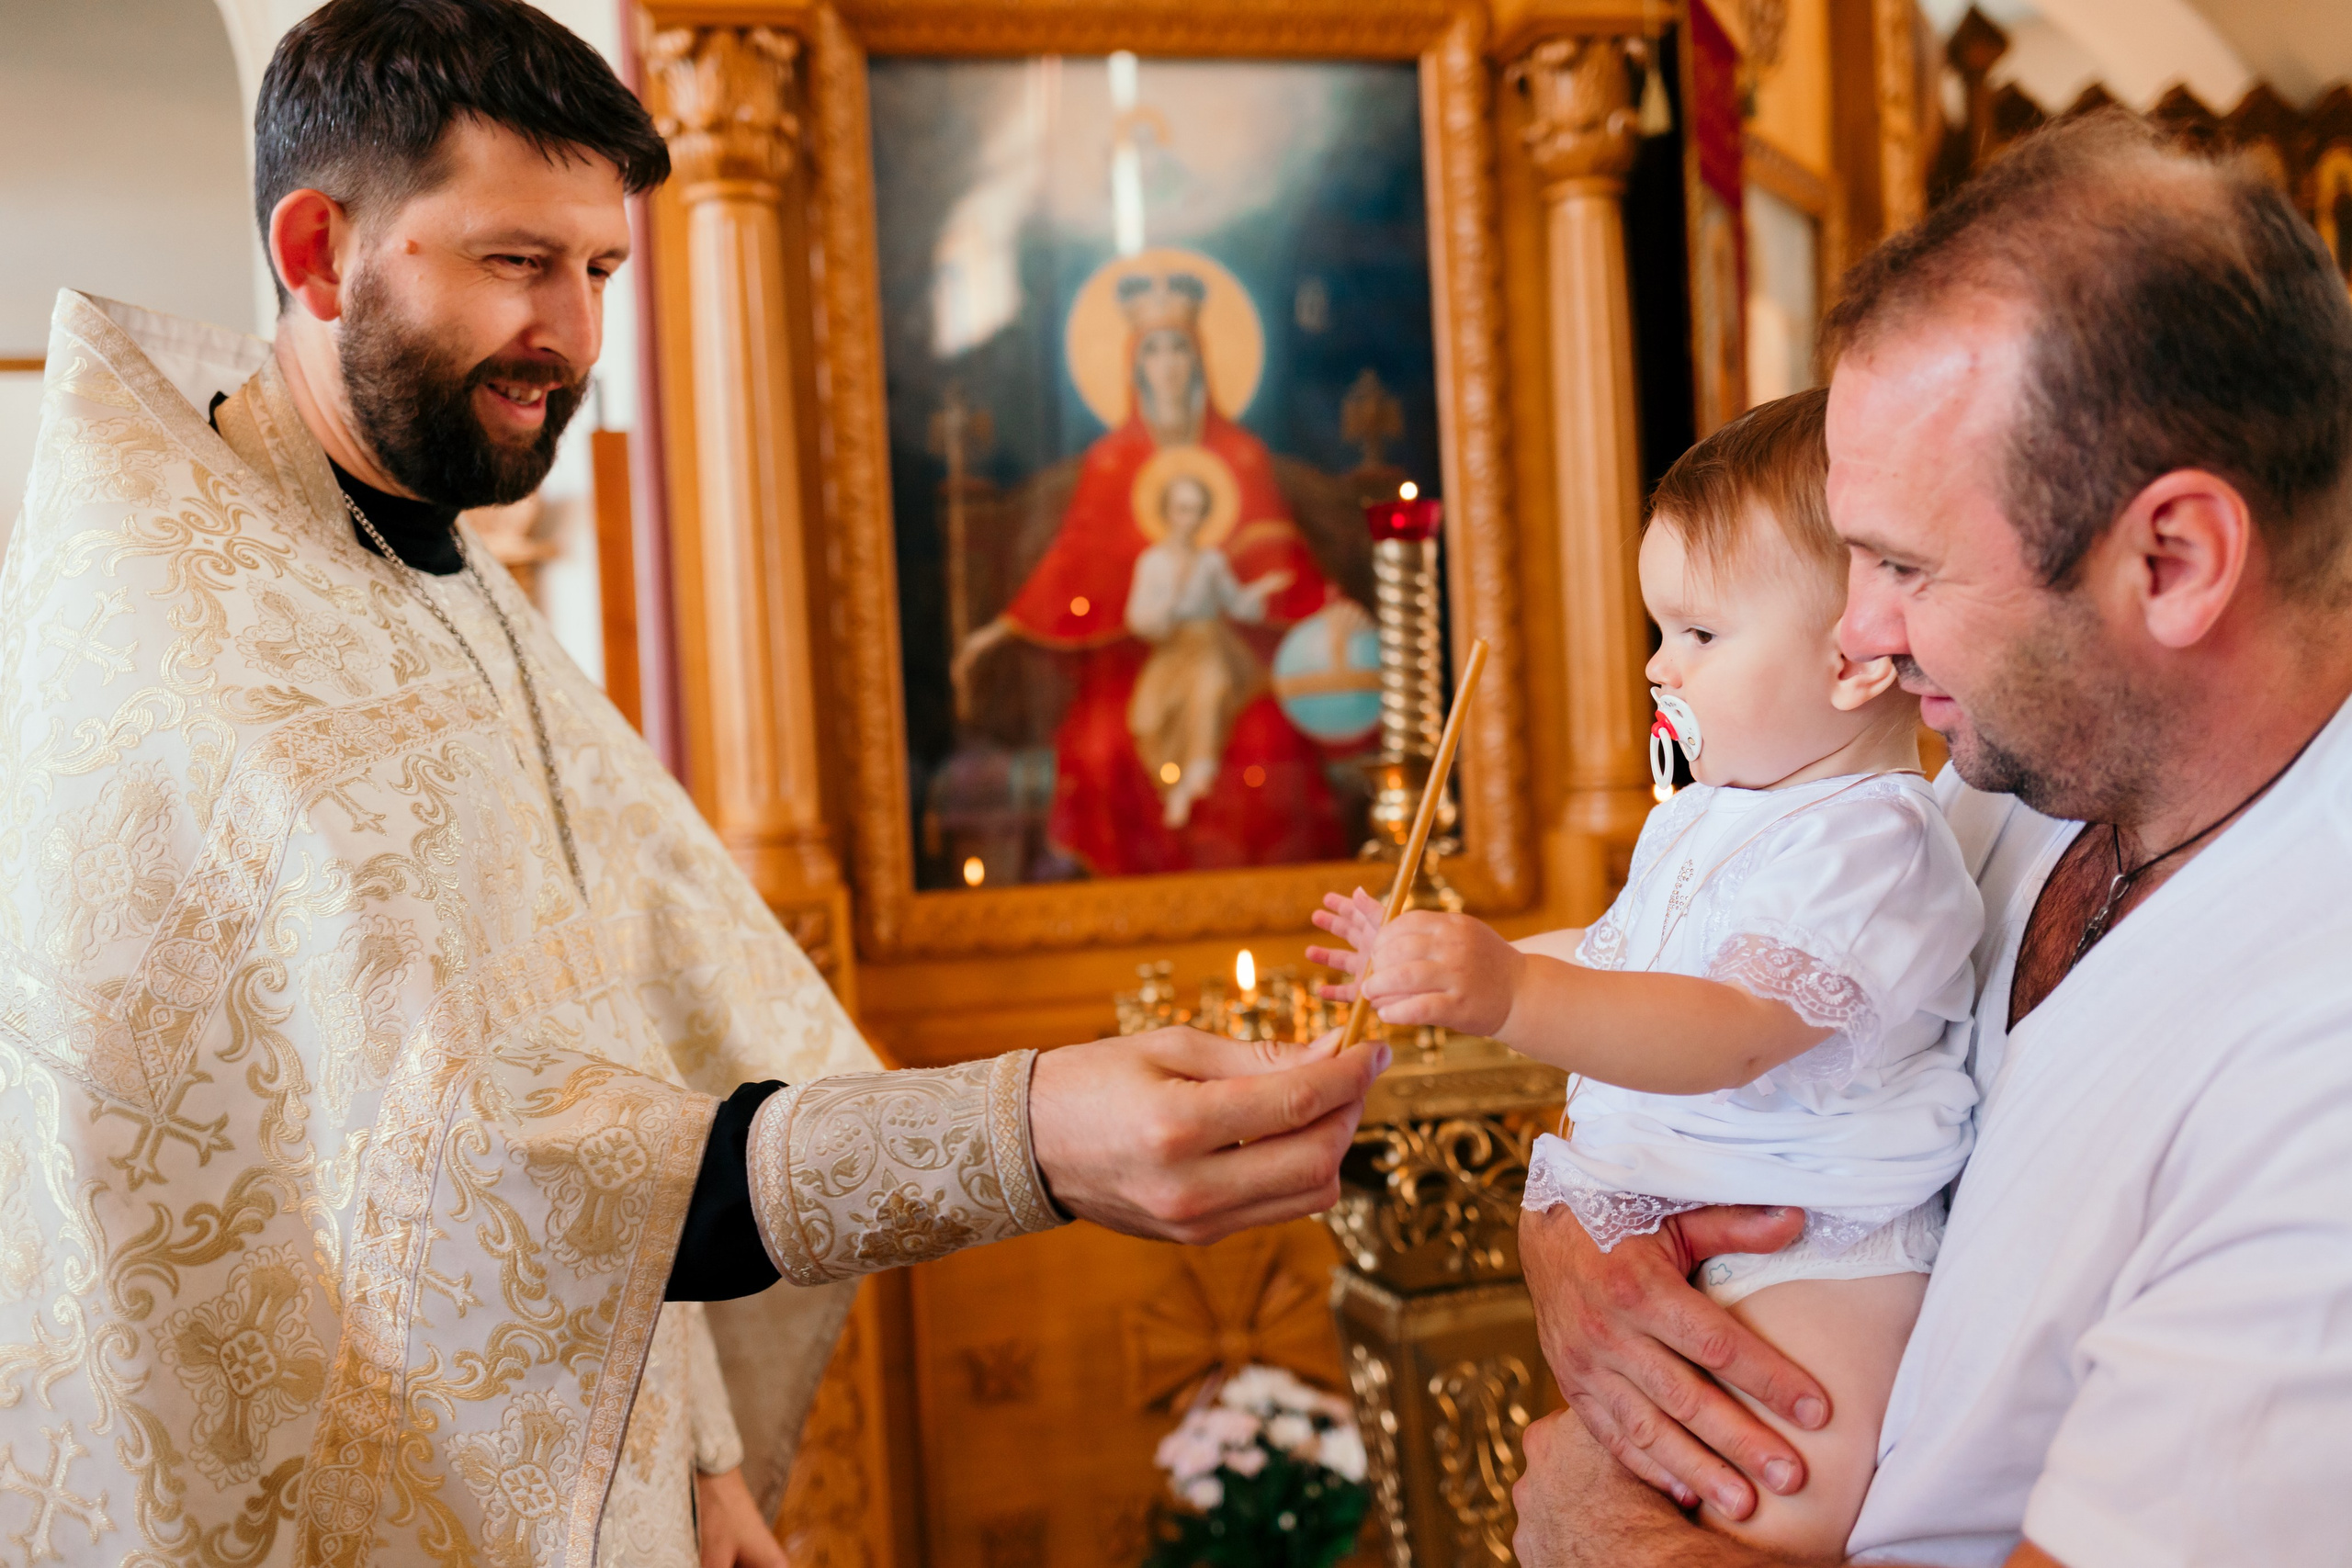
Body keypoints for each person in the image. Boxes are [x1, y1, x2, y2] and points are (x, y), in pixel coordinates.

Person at [0, 5, 1385, 1566]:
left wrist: (693, 1450)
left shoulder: (422, 567)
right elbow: (454, 1159)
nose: (577, 340)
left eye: (599, 272)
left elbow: (602, 1037)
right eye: (519, 261)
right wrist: (1032, 1134)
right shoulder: (196, 636)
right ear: (320, 252)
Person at [1506, 113, 2352, 1568]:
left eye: (1902, 565)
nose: (1859, 633)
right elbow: (1746, 1057)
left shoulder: (2319, 1056)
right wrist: (1582, 1247)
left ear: (2175, 559)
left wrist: (1616, 1537)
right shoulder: (2004, 769)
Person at [1313, 389, 1980, 1555]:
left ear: (1856, 664)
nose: (1658, 667)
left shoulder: (1873, 839)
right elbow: (1630, 960)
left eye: (1700, 635)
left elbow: (1724, 1028)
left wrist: (1510, 997)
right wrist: (1456, 967)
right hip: (1707, 1238)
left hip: (1817, 1261)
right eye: (1659, 630)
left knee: (1769, 1510)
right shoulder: (1716, 813)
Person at [951, 267, 1345, 873]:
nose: (1168, 364)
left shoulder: (1239, 455)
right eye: (1154, 349)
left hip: (1234, 656)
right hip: (1131, 663)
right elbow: (1074, 562)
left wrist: (1330, 606)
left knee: (1269, 744)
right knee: (1102, 745)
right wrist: (1000, 630)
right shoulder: (1112, 464)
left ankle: (1254, 898)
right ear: (1135, 362)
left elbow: (1279, 561)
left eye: (1179, 347)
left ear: (1200, 356)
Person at [1124, 469, 1296, 827]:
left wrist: (1261, 589)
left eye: (1197, 510)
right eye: (1182, 509)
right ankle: (1173, 787)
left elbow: (1233, 602)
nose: (1189, 519)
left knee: (1211, 689)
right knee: (1149, 718)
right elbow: (1138, 617)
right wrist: (1169, 601)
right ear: (1168, 513)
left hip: (1210, 645)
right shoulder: (1153, 563)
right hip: (1172, 649)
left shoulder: (1211, 561)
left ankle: (1198, 774)